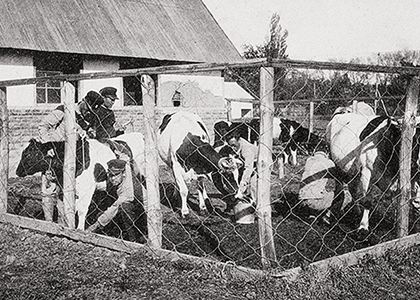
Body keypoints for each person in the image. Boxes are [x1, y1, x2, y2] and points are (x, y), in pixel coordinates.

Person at [36, 91, 104, 224]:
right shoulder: (64, 110)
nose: (88, 113)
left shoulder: (88, 118)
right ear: (83, 101)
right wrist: (47, 146)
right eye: (88, 109)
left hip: (71, 158)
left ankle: (64, 223)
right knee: (49, 188)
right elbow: (43, 126)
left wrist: (87, 132)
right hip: (54, 153)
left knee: (66, 189)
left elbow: (81, 132)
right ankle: (48, 223)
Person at [86, 159, 135, 233]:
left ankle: (134, 240)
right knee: (101, 214)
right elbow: (104, 185)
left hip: (142, 215)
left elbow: (115, 207)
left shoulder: (128, 187)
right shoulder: (119, 180)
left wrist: (96, 225)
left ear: (123, 173)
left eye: (116, 175)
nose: (113, 178)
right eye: (111, 175)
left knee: (125, 208)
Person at [298, 146, 337, 225]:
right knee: (339, 191)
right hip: (318, 201)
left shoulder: (309, 160)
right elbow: (335, 177)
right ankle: (327, 216)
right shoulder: (329, 162)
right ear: (327, 152)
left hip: (304, 200)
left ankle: (312, 214)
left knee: (313, 186)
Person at [225, 131, 258, 207]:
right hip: (251, 164)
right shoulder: (236, 144)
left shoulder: (247, 150)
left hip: (261, 164)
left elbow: (248, 168)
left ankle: (257, 206)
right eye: (231, 146)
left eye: (234, 145)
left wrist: (243, 184)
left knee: (254, 184)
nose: (232, 148)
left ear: (239, 140)